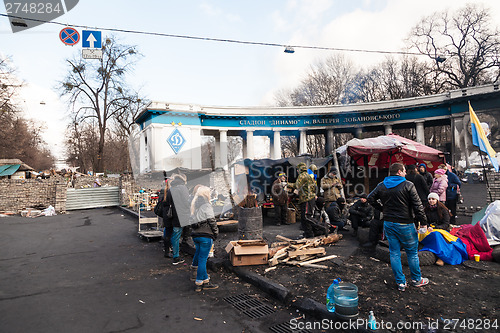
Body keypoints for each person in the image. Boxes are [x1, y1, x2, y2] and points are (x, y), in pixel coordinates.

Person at [367, 163, 429, 292]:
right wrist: (423, 222)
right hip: (405, 223)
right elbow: (418, 206)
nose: (406, 173)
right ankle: (417, 280)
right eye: (404, 171)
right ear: (400, 172)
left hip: (389, 223)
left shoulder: (382, 185)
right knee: (412, 252)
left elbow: (370, 198)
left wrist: (382, 208)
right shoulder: (408, 185)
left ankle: (401, 282)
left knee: (394, 253)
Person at [190, 186, 219, 292]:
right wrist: (216, 233)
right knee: (203, 259)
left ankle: (205, 280)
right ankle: (199, 282)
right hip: (205, 236)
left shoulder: (194, 204)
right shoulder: (206, 205)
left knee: (199, 255)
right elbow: (212, 221)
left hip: (195, 235)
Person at [163, 173, 191, 265]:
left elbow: (168, 201)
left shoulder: (171, 189)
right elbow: (187, 202)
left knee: (175, 235)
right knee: (178, 235)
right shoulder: (183, 188)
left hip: (174, 216)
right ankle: (176, 257)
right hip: (182, 215)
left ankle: (175, 254)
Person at [287, 162, 317, 238]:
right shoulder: (308, 176)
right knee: (305, 218)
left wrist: (287, 184)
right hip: (309, 198)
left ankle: (314, 231)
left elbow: (296, 185)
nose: (297, 171)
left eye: (297, 169)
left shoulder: (302, 175)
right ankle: (307, 233)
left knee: (306, 217)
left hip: (307, 199)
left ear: (299, 169)